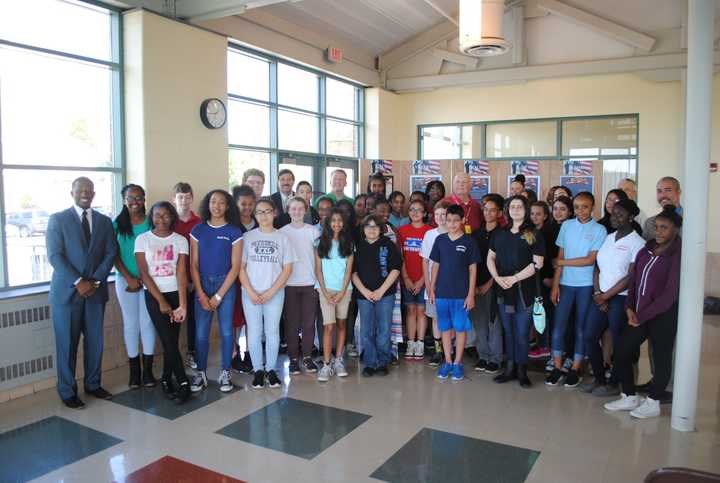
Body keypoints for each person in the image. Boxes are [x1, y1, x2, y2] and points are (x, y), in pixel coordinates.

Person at [604, 205, 682, 419]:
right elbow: (635, 281)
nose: (658, 232)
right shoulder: (646, 249)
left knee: (660, 355)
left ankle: (654, 401)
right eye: (656, 227)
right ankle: (629, 396)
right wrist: (630, 307)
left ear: (675, 230)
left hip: (662, 316)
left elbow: (669, 293)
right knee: (621, 351)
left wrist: (642, 315)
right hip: (638, 313)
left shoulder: (677, 254)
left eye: (664, 228)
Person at [46, 177, 117, 408]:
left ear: (94, 194)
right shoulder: (58, 220)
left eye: (89, 190)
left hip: (95, 292)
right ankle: (67, 390)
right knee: (67, 344)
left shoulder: (104, 222)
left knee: (95, 341)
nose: (85, 193)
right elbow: (55, 256)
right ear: (72, 193)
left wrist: (94, 281)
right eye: (80, 190)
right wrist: (79, 281)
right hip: (67, 294)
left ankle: (93, 384)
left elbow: (110, 253)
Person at [581, 198, 645, 397]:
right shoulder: (609, 238)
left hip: (620, 298)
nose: (614, 217)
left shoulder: (638, 243)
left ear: (631, 217)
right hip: (601, 296)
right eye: (613, 213)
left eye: (620, 214)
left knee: (619, 343)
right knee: (589, 336)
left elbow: (630, 277)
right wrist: (598, 293)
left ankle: (614, 383)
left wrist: (607, 296)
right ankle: (599, 378)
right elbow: (598, 267)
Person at [547, 192, 607, 387]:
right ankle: (557, 367)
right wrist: (555, 285)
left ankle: (575, 369)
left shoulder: (599, 230)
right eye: (578, 206)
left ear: (593, 208)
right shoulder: (566, 226)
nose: (581, 210)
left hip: (585, 285)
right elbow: (560, 255)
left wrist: (561, 262)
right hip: (565, 284)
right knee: (559, 326)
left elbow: (590, 260)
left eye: (585, 206)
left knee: (581, 327)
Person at [135, 201, 191, 404]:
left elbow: (182, 273)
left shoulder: (180, 240)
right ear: (151, 217)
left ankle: (167, 379)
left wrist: (182, 305)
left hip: (176, 294)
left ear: (172, 217)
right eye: (157, 215)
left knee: (171, 342)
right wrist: (161, 301)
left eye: (166, 215)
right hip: (154, 296)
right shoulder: (143, 240)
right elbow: (144, 273)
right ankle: (184, 382)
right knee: (168, 340)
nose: (161, 219)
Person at [487, 195, 545, 387]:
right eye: (512, 206)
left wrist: (514, 278)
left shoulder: (533, 233)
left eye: (520, 206)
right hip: (503, 289)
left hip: (524, 290)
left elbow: (538, 263)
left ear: (525, 209)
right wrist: (497, 278)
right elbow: (490, 258)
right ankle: (509, 368)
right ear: (507, 210)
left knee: (521, 332)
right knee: (508, 331)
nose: (516, 209)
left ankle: (522, 370)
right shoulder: (499, 233)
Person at [189, 190, 242, 393]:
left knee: (227, 331)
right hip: (202, 284)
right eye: (213, 201)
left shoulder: (234, 232)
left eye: (221, 202)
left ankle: (225, 371)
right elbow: (193, 265)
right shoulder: (198, 230)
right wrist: (202, 294)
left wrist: (219, 295)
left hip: (225, 285)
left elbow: (235, 267)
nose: (217, 206)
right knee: (201, 332)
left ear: (227, 206)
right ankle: (200, 372)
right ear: (207, 204)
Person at [240, 197, 296, 389]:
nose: (263, 215)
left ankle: (271, 370)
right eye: (259, 212)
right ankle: (258, 370)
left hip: (275, 293)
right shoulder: (248, 237)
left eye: (267, 211)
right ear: (255, 215)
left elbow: (287, 269)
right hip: (250, 293)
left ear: (274, 213)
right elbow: (240, 267)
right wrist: (250, 291)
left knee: (272, 332)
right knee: (254, 332)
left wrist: (272, 291)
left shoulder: (283, 238)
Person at [428, 204, 479, 381]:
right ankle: (447, 361)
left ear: (462, 220)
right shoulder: (440, 240)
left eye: (456, 220)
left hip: (461, 295)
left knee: (460, 328)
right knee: (445, 328)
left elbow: (473, 269)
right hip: (442, 293)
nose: (452, 224)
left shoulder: (469, 242)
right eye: (449, 220)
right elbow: (435, 265)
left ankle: (457, 363)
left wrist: (471, 293)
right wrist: (432, 289)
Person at [113, 184, 156, 389]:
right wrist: (129, 277)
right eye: (131, 198)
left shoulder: (151, 222)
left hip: (150, 280)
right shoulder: (117, 224)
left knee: (147, 323)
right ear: (124, 200)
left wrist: (146, 277)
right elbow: (113, 254)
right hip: (125, 281)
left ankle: (148, 371)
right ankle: (134, 372)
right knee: (131, 324)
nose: (135, 201)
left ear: (144, 199)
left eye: (139, 198)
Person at [352, 214, 401, 377]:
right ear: (363, 229)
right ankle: (370, 362)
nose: (371, 230)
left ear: (381, 229)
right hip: (363, 295)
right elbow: (353, 273)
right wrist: (365, 291)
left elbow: (395, 269)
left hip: (385, 294)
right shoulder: (359, 247)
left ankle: (383, 361)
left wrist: (381, 291)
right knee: (366, 330)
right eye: (368, 226)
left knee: (384, 329)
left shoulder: (388, 244)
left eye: (375, 226)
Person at [280, 197, 320, 375]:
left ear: (305, 211)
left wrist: (318, 281)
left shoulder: (314, 232)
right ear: (288, 211)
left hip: (309, 283)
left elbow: (319, 260)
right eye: (293, 209)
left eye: (300, 209)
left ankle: (307, 357)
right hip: (288, 284)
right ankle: (293, 359)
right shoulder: (281, 233)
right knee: (291, 323)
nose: (296, 212)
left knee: (309, 323)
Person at [315, 208, 354, 381]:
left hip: (344, 290)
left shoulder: (349, 243)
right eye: (333, 220)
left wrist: (342, 292)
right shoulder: (319, 243)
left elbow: (348, 272)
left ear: (343, 223)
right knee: (328, 326)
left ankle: (339, 360)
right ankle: (326, 364)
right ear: (328, 223)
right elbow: (318, 271)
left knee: (341, 324)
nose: (336, 224)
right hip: (325, 290)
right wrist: (325, 292)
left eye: (340, 221)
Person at [471, 194, 504, 375]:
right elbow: (472, 262)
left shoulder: (503, 234)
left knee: (494, 322)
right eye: (486, 209)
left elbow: (502, 264)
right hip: (475, 285)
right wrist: (474, 285)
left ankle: (496, 358)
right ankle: (483, 356)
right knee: (479, 322)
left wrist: (489, 284)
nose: (488, 213)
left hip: (495, 285)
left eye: (493, 210)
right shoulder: (476, 234)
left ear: (499, 212)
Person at [172, 183, 201, 370]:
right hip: (170, 281)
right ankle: (173, 356)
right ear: (173, 199)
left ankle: (192, 353)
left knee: (193, 319)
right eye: (180, 197)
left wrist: (192, 279)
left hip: (192, 280)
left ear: (192, 199)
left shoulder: (199, 222)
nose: (183, 200)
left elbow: (202, 254)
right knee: (173, 320)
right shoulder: (167, 221)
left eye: (187, 197)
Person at [398, 199, 432, 359]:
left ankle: (420, 343)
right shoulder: (402, 230)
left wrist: (422, 281)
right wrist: (406, 278)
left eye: (419, 210)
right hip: (407, 279)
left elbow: (432, 260)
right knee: (410, 310)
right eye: (412, 209)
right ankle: (410, 342)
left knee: (422, 311)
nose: (415, 213)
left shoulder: (430, 231)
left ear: (425, 213)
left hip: (424, 280)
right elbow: (401, 257)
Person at [230, 184, 257, 373]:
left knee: (252, 319)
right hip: (234, 277)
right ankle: (234, 352)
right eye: (243, 204)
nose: (247, 207)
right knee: (235, 317)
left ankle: (249, 351)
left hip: (255, 278)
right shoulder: (231, 225)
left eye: (250, 204)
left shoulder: (259, 222)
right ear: (236, 204)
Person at [421, 200, 451, 366]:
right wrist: (428, 284)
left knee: (450, 317)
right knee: (436, 317)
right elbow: (425, 261)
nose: (440, 218)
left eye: (444, 215)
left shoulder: (456, 233)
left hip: (451, 284)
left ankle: (450, 350)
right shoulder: (429, 234)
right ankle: (439, 350)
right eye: (437, 214)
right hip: (433, 285)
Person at [643, 176, 682, 241]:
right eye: (659, 191)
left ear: (679, 192)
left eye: (668, 190)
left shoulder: (691, 220)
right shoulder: (649, 223)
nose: (663, 195)